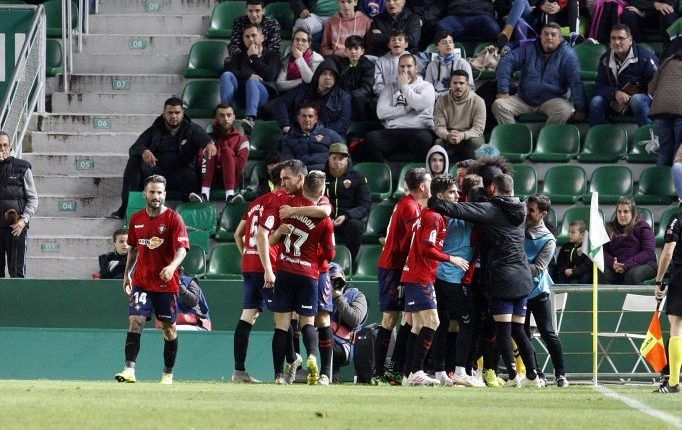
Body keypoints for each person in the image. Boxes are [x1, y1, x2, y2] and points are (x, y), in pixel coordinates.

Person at [428, 174, 543, 387]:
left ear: (493, 189)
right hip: (518, 277)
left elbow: (460, 210)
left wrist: (433, 201)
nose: (456, 196)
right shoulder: (521, 209)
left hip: (496, 277)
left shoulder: (489, 211)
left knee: (500, 329)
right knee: (514, 329)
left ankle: (512, 376)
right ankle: (530, 376)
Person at [256, 160, 332, 383]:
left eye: (286, 178)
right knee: (310, 321)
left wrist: (287, 220)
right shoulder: (314, 203)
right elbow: (330, 249)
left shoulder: (287, 205)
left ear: (301, 178)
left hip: (287, 269)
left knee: (283, 324)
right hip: (311, 272)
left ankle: (280, 375)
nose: (282, 183)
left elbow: (267, 238)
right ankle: (312, 361)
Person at [115, 175, 189, 385]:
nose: (156, 196)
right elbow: (134, 249)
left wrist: (172, 266)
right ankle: (129, 370)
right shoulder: (136, 219)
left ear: (164, 195)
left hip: (167, 283)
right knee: (135, 321)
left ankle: (168, 373)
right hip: (142, 282)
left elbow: (182, 249)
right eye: (152, 192)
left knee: (168, 328)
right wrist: (127, 274)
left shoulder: (174, 219)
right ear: (145, 194)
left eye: (159, 192)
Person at [401, 175, 470, 386]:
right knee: (434, 322)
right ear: (440, 195)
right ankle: (417, 370)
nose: (457, 195)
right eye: (452, 192)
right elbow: (425, 248)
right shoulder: (434, 217)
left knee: (416, 326)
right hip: (421, 276)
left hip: (416, 274)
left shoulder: (429, 214)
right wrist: (452, 259)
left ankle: (408, 375)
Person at [110, 98, 216, 219]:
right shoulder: (155, 129)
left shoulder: (192, 129)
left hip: (181, 175)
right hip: (157, 174)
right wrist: (144, 151)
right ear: (164, 114)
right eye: (170, 113)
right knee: (134, 161)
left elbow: (206, 140)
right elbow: (134, 148)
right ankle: (125, 208)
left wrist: (210, 144)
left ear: (182, 113)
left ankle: (190, 213)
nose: (174, 116)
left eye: (177, 113)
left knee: (190, 175)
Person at [373, 168, 430, 384]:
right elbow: (410, 241)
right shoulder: (409, 206)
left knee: (409, 317)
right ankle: (378, 373)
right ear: (423, 186)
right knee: (390, 318)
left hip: (403, 268)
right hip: (393, 267)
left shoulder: (412, 204)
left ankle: (396, 369)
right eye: (429, 182)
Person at [429, 175, 483, 387]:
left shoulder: (446, 215)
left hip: (438, 275)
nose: (457, 195)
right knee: (467, 322)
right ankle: (460, 370)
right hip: (451, 276)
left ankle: (441, 372)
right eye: (453, 192)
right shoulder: (471, 218)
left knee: (441, 324)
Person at [493, 22, 586, 126]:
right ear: (540, 36)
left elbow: (576, 81)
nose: (549, 37)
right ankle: (517, 138)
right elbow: (506, 61)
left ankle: (546, 139)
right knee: (499, 105)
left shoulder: (569, 55)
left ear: (560, 39)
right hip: (524, 99)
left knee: (565, 110)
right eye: (545, 34)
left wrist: (580, 107)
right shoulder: (529, 48)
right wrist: (504, 91)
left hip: (552, 100)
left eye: (553, 35)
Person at [524, 194, 568, 387]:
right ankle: (537, 373)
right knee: (522, 334)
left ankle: (561, 374)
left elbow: (539, 268)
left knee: (548, 332)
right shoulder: (517, 228)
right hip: (519, 290)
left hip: (538, 291)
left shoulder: (548, 240)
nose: (526, 213)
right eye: (526, 208)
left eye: (531, 210)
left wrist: (514, 266)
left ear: (543, 214)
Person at [359, 54, 436, 163]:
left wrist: (404, 86)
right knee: (371, 139)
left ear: (416, 68)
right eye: (402, 66)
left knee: (423, 139)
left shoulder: (426, 86)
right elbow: (381, 113)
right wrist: (407, 108)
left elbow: (419, 105)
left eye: (409, 66)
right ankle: (386, 172)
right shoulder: (390, 87)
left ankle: (417, 173)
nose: (405, 70)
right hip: (393, 131)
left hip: (418, 131)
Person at [589, 24, 659, 127]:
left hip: (642, 101)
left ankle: (648, 135)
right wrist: (615, 93)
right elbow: (599, 86)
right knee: (596, 102)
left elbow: (656, 86)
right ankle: (597, 138)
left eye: (621, 38)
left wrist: (632, 96)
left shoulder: (645, 58)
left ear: (630, 40)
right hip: (616, 102)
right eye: (613, 38)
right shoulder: (605, 58)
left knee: (637, 100)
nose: (616, 42)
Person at [220, 24, 281, 130]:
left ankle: (250, 118)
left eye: (254, 35)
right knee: (227, 75)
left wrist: (254, 57)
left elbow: (269, 75)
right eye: (247, 37)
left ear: (262, 37)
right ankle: (225, 112)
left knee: (252, 81)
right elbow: (229, 70)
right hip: (241, 97)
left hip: (263, 97)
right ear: (243, 39)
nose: (250, 39)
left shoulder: (272, 55)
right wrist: (248, 75)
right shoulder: (238, 56)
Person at [275, 59, 351, 138]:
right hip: (301, 132)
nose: (328, 77)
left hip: (329, 135)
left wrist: (316, 131)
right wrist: (285, 124)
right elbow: (281, 102)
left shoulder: (343, 97)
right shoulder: (304, 89)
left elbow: (342, 124)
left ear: (335, 78)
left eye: (332, 75)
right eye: (324, 74)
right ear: (318, 76)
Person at [190, 104, 249, 204]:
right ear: (216, 118)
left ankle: (230, 196)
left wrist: (224, 159)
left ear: (234, 117)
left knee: (227, 151)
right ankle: (204, 194)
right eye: (222, 115)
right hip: (209, 178)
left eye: (229, 115)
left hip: (232, 180)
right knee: (211, 148)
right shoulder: (206, 139)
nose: (226, 119)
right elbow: (200, 163)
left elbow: (239, 166)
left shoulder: (243, 140)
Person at [323, 143, 371, 261]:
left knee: (356, 225)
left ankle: (350, 261)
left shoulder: (358, 178)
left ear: (347, 159)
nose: (337, 161)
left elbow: (365, 205)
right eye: (334, 158)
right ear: (329, 158)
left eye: (341, 158)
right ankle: (320, 261)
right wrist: (326, 217)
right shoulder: (320, 177)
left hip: (347, 221)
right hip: (325, 219)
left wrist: (346, 216)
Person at [0, 131, 38, 278]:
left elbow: (33, 198)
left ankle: (18, 301)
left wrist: (24, 220)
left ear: (10, 147)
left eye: (5, 145)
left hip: (16, 228)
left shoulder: (22, 167)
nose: (2, 148)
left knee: (17, 274)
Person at [653, 209, 682, 393]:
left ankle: (673, 381)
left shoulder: (677, 218)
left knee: (677, 325)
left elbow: (667, 253)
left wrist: (659, 280)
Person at [434, 70, 486, 162]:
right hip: (449, 135)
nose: (458, 86)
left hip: (470, 135)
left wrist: (462, 135)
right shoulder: (441, 100)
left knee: (476, 143)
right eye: (455, 83)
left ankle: (476, 171)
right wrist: (447, 135)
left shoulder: (478, 101)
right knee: (438, 143)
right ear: (450, 84)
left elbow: (478, 129)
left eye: (461, 83)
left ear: (467, 85)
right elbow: (439, 127)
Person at [602, 198, 657, 285]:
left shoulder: (643, 227)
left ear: (633, 213)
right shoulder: (610, 228)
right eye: (619, 211)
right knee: (603, 273)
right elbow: (603, 251)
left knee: (632, 275)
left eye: (626, 211)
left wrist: (626, 265)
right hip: (617, 267)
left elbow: (648, 252)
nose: (622, 215)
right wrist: (612, 263)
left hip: (644, 264)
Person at [328, 262, 368, 382]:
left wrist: (338, 298)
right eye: (329, 279)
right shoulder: (322, 294)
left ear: (343, 276)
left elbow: (355, 320)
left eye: (336, 279)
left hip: (343, 345)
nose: (334, 283)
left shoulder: (357, 296)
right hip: (324, 339)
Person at [648, 38, 682, 166]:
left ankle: (660, 184)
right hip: (680, 111)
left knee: (664, 151)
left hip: (661, 110)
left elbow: (651, 88)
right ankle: (675, 185)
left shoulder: (667, 62)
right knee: (679, 153)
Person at [279, 105, 344, 171]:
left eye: (310, 116)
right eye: (303, 116)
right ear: (298, 118)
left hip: (327, 175)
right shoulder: (289, 139)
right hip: (302, 176)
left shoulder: (331, 135)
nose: (307, 119)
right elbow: (288, 163)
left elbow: (344, 157)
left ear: (315, 119)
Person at [497, 0, 581, 47]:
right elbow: (500, 7)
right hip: (517, 20)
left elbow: (538, 5)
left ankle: (573, 35)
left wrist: (543, 6)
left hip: (535, 20)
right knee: (520, 2)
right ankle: (507, 33)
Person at [335, 35, 375, 120]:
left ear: (362, 51)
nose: (353, 52)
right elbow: (338, 82)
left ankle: (358, 123)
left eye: (356, 49)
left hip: (359, 96)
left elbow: (367, 87)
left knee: (359, 98)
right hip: (344, 94)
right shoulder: (341, 64)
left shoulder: (368, 65)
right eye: (350, 49)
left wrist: (349, 95)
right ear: (345, 51)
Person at [275, 28, 324, 94]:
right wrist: (302, 81)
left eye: (303, 41)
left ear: (308, 44)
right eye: (297, 40)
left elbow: (310, 79)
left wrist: (299, 58)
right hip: (290, 94)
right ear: (293, 42)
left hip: (309, 95)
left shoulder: (316, 58)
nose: (299, 43)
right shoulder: (288, 59)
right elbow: (279, 85)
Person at [373, 29, 410, 96]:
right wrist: (388, 94)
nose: (396, 42)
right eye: (393, 40)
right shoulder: (381, 61)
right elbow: (378, 84)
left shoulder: (413, 60)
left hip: (407, 95)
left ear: (406, 44)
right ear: (389, 45)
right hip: (386, 95)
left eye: (400, 39)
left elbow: (417, 79)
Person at [554, 220, 592, 284]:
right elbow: (560, 261)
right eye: (569, 232)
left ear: (582, 235)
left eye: (573, 232)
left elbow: (587, 264)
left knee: (586, 277)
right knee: (559, 276)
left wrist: (574, 271)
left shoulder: (587, 248)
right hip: (566, 272)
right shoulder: (566, 246)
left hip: (580, 273)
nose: (569, 235)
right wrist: (565, 270)